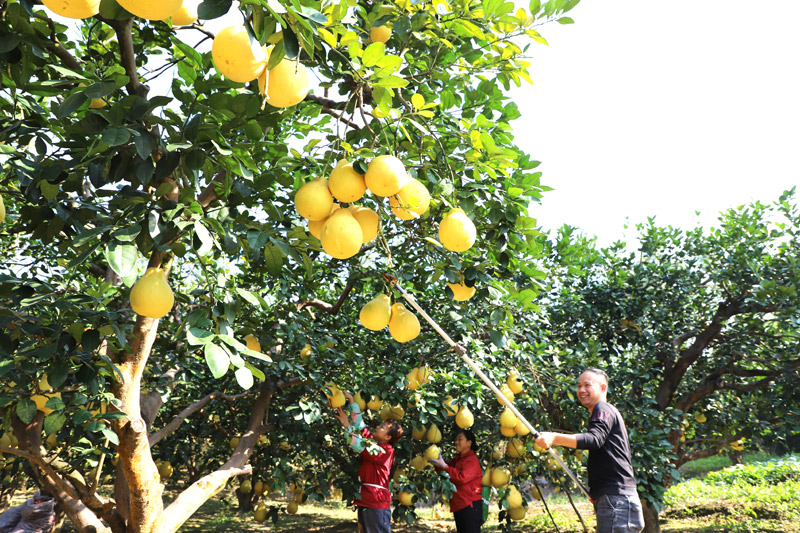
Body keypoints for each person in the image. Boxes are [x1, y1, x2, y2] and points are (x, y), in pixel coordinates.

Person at [535, 368, 644, 533]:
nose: (581, 390)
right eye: (579, 386)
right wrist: (601, 498)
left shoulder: (603, 408)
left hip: (617, 500)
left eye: (587, 385)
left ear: (602, 388)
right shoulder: (603, 412)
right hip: (613, 500)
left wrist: (555, 438)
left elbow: (594, 439)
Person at [334, 392, 403, 533]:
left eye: (383, 427)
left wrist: (347, 426)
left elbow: (358, 445)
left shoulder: (386, 450)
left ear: (387, 437)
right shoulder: (375, 444)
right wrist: (352, 401)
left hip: (376, 501)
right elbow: (361, 427)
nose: (378, 426)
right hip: (367, 499)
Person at [429, 429, 484, 532]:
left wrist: (444, 466)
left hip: (469, 506)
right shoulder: (458, 459)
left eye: (460, 439)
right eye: (456, 439)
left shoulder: (471, 460)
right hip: (460, 505)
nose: (456, 442)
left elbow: (461, 478)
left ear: (469, 443)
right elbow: (447, 470)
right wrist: (437, 464)